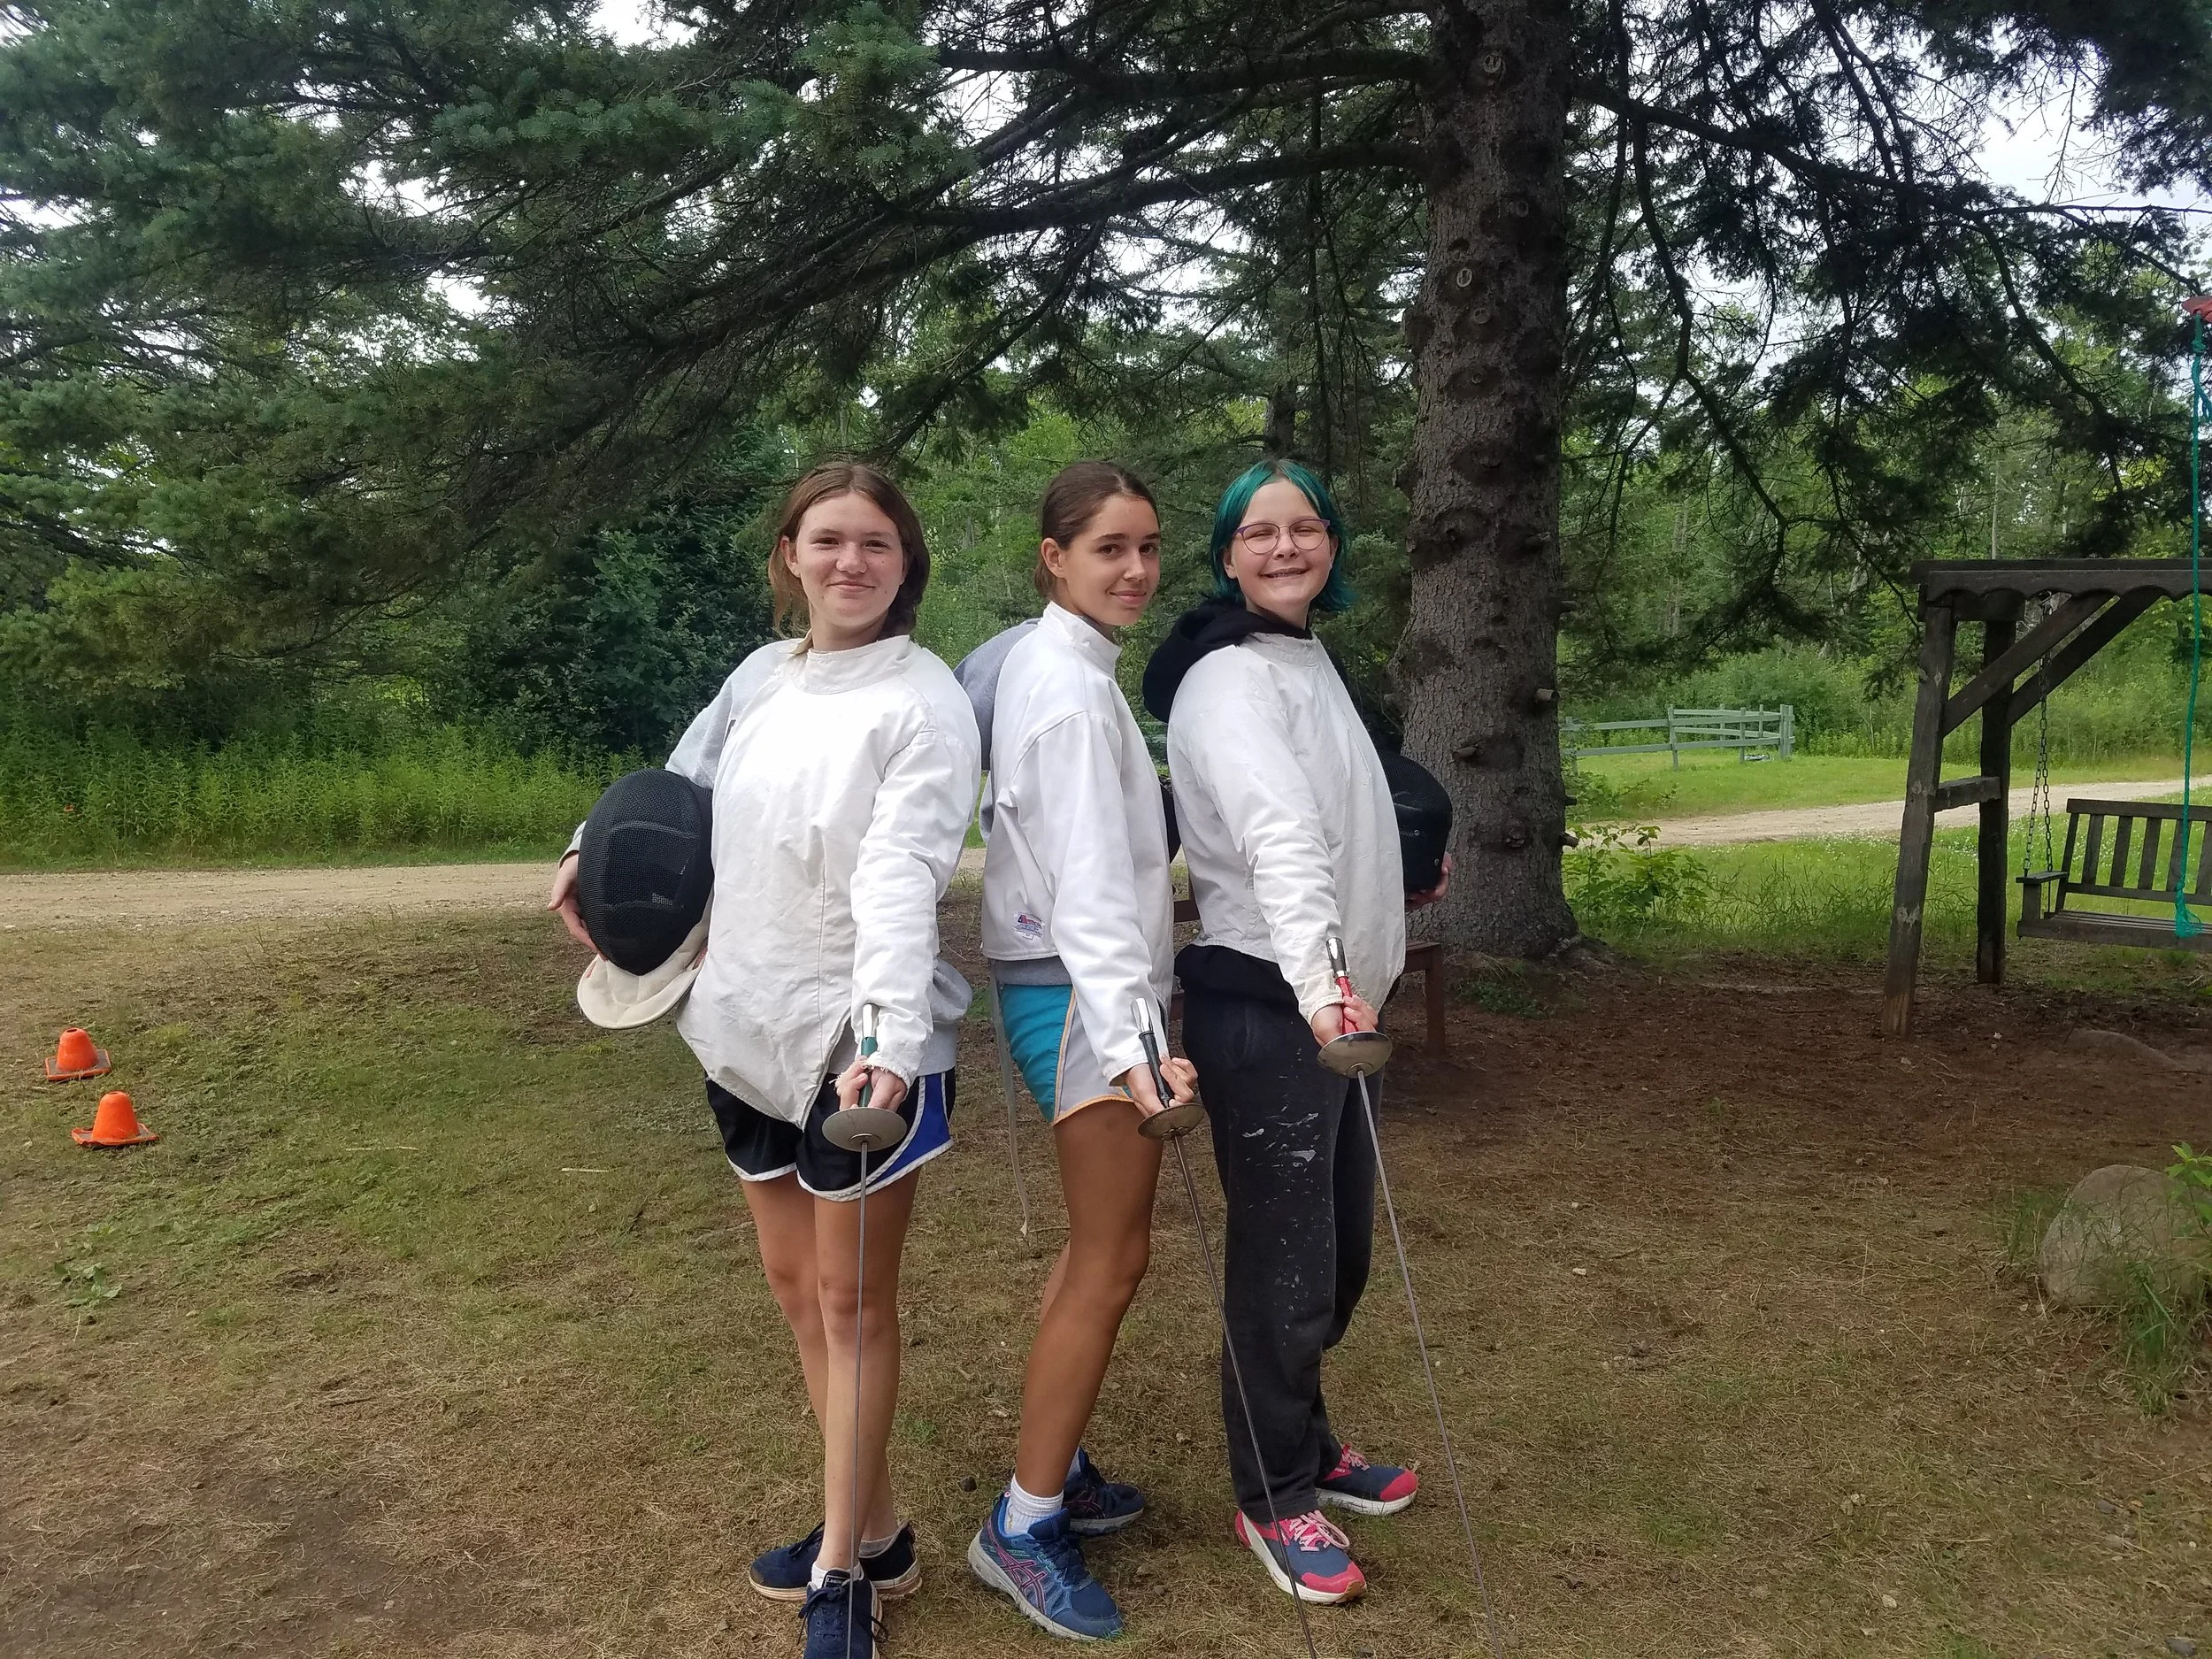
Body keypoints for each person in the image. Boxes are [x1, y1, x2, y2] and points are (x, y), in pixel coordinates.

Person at [549, 462, 980, 1659]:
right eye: (828, 539)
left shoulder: (924, 700)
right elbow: (676, 794)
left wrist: (888, 1038)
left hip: (859, 1053)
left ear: (906, 563)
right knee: (802, 1297)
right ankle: (877, 1522)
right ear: (789, 552)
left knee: (853, 1305)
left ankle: (842, 1571)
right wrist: (593, 854)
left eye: (876, 544)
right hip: (738, 1027)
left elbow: (903, 873)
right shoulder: (758, 677)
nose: (851, 562)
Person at [1141, 458, 1449, 1606]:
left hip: (1334, 1007)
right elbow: (1276, 836)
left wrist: (1402, 870)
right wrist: (1327, 984)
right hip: (1276, 1012)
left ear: (1331, 546)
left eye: (1304, 526)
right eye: (1258, 532)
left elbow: (1339, 811)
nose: (1284, 546)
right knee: (1286, 1266)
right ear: (1226, 556)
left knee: (1338, 1253)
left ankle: (1308, 1439)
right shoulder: (1228, 681)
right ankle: (1274, 1492)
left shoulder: (1303, 658)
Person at [956, 461, 1200, 1641]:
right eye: (1110, 547)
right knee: (1112, 1257)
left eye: (1149, 546)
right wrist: (1139, 1041)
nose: (1138, 569)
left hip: (1079, 984)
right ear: (1052, 555)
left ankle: (1057, 1465)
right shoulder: (1059, 684)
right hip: (1084, 999)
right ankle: (1022, 1521)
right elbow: (1096, 887)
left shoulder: (1068, 668)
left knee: (1097, 1249)